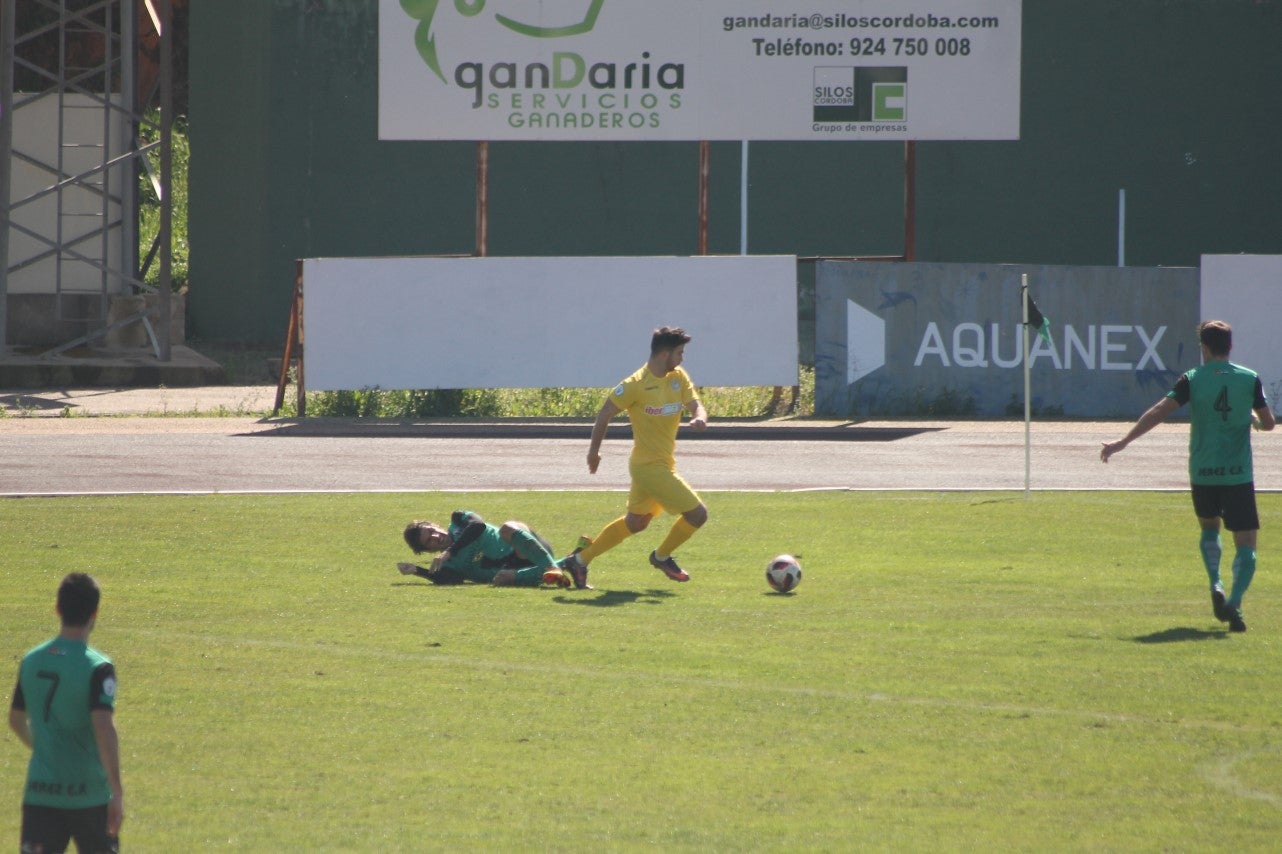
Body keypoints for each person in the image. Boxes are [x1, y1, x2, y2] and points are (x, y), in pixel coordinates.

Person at [1101, 320, 1275, 632]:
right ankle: (1235, 602)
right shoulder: (1249, 379)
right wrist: (1255, 422)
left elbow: (1159, 410)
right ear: (1230, 346)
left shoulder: (1193, 379)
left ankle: (1216, 582)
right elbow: (1270, 423)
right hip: (1237, 475)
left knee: (1210, 528)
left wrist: (1123, 441)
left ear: (1204, 348)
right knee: (1246, 542)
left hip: (1202, 472)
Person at [559, 326, 709, 589]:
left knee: (636, 523)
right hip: (649, 468)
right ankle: (661, 557)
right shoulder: (635, 385)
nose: (682, 358)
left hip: (659, 464)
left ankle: (579, 561)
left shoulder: (678, 377)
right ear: (664, 354)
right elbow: (604, 414)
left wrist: (699, 417)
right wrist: (593, 452)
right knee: (698, 514)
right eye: (679, 353)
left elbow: (696, 405)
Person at [9, 572, 124, 853]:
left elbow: (15, 720)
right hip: (90, 795)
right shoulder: (98, 667)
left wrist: (44, 746)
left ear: (58, 609)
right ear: (95, 613)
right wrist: (117, 791)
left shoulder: (32, 661)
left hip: (40, 793)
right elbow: (103, 726)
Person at [399, 510, 572, 587]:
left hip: (530, 550)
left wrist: (449, 551)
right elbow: (449, 580)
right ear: (428, 550)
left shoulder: (458, 520)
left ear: (435, 525)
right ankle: (569, 563)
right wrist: (417, 571)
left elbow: (478, 525)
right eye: (429, 541)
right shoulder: (450, 564)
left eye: (432, 531)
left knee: (508, 527)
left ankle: (554, 566)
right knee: (501, 579)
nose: (436, 537)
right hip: (517, 571)